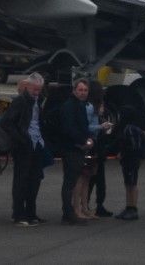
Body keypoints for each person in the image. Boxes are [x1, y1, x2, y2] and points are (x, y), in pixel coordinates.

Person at [0, 72, 47, 226]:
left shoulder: (37, 101)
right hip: (24, 145)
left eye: (39, 90)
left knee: (35, 179)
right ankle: (18, 213)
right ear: (28, 87)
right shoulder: (20, 101)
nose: (37, 93)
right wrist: (21, 138)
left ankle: (31, 212)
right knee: (21, 180)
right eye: (35, 89)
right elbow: (6, 123)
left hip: (36, 143)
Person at [59, 78, 97, 226]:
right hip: (71, 148)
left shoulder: (80, 105)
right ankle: (68, 213)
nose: (83, 93)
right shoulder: (70, 106)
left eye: (85, 90)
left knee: (73, 181)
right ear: (74, 90)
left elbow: (83, 127)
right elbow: (69, 129)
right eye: (80, 90)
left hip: (78, 147)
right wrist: (83, 141)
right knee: (70, 182)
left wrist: (87, 139)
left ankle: (70, 212)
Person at [114, 105, 145, 221]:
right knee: (129, 183)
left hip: (131, 159)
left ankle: (132, 208)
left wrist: (122, 153)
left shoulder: (129, 129)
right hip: (131, 159)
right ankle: (129, 206)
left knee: (131, 184)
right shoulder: (134, 128)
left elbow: (133, 146)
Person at [84, 80, 113, 218]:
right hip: (96, 144)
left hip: (96, 144)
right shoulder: (92, 108)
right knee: (95, 177)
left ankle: (89, 203)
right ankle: (94, 204)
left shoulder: (93, 107)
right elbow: (89, 126)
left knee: (94, 177)